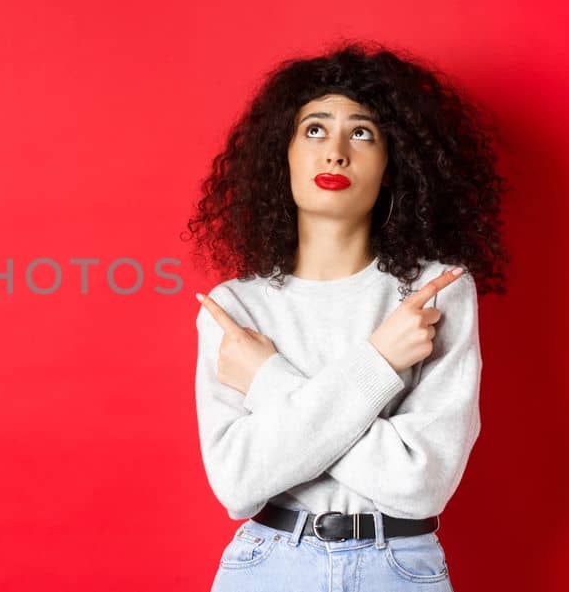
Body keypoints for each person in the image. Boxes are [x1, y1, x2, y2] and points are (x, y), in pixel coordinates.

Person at [181, 40, 509, 591]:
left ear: (394, 161)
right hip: (268, 565)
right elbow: (237, 484)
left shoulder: (435, 293)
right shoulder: (235, 309)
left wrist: (267, 381)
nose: (335, 152)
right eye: (314, 129)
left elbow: (420, 482)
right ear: (281, 152)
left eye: (361, 133)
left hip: (399, 566)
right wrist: (379, 361)